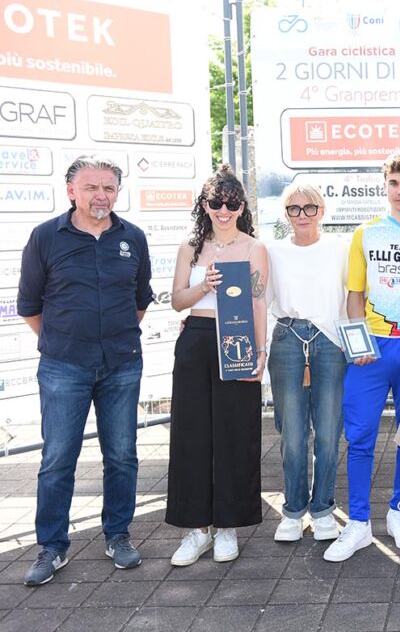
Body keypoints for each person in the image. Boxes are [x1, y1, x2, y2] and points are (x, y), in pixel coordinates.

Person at [17, 156, 153, 586]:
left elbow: (140, 300)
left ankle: (118, 535)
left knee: (122, 455)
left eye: (109, 188)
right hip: (63, 367)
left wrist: (111, 337)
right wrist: (64, 341)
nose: (101, 196)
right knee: (58, 459)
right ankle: (52, 546)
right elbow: (29, 305)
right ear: (71, 191)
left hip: (122, 364)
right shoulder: (45, 237)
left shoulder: (133, 237)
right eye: (92, 187)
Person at [324, 152, 400, 562]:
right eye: (394, 183)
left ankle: (399, 510)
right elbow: (354, 294)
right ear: (385, 186)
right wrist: (358, 344)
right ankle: (358, 522)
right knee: (360, 436)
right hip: (372, 348)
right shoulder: (366, 233)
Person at [165, 165, 269, 566]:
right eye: (216, 203)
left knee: (235, 433)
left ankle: (228, 526)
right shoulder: (190, 248)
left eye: (231, 203)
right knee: (191, 435)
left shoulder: (254, 248)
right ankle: (197, 529)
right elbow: (177, 301)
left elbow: (258, 303)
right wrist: (203, 286)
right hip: (195, 339)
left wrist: (260, 353)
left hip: (237, 341)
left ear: (242, 207)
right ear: (204, 206)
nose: (223, 211)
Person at [266, 183, 348, 543]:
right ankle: (294, 509)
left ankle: (323, 508)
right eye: (294, 209)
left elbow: (354, 296)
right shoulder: (272, 251)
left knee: (328, 433)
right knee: (293, 434)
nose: (302, 215)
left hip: (330, 342)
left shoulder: (340, 248)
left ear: (322, 211)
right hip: (287, 339)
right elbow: (258, 299)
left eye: (310, 207)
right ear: (285, 214)